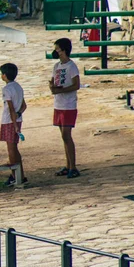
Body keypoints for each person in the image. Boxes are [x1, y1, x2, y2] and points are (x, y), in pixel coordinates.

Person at [49, 38, 80, 179]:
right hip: (59, 104)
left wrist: (61, 90)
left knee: (66, 135)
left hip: (68, 105)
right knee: (64, 137)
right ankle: (68, 166)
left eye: (58, 49)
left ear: (64, 50)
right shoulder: (57, 66)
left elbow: (76, 85)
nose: (56, 52)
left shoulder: (71, 66)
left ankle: (73, 166)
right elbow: (54, 82)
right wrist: (53, 87)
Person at [0, 63, 27, 186]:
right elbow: (23, 106)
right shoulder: (18, 87)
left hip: (9, 121)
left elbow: (10, 108)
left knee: (11, 150)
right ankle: (20, 174)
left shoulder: (6, 89)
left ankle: (15, 176)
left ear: (4, 75)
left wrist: (14, 122)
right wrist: (18, 114)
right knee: (15, 148)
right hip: (16, 119)